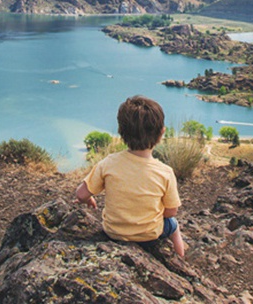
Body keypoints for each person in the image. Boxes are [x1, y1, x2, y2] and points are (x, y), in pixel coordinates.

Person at [75, 95, 186, 257]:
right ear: (161, 133)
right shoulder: (165, 172)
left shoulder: (108, 163)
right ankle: (180, 260)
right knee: (174, 226)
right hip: (149, 235)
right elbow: (171, 212)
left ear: (121, 132)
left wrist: (88, 199)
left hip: (113, 232)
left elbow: (81, 194)